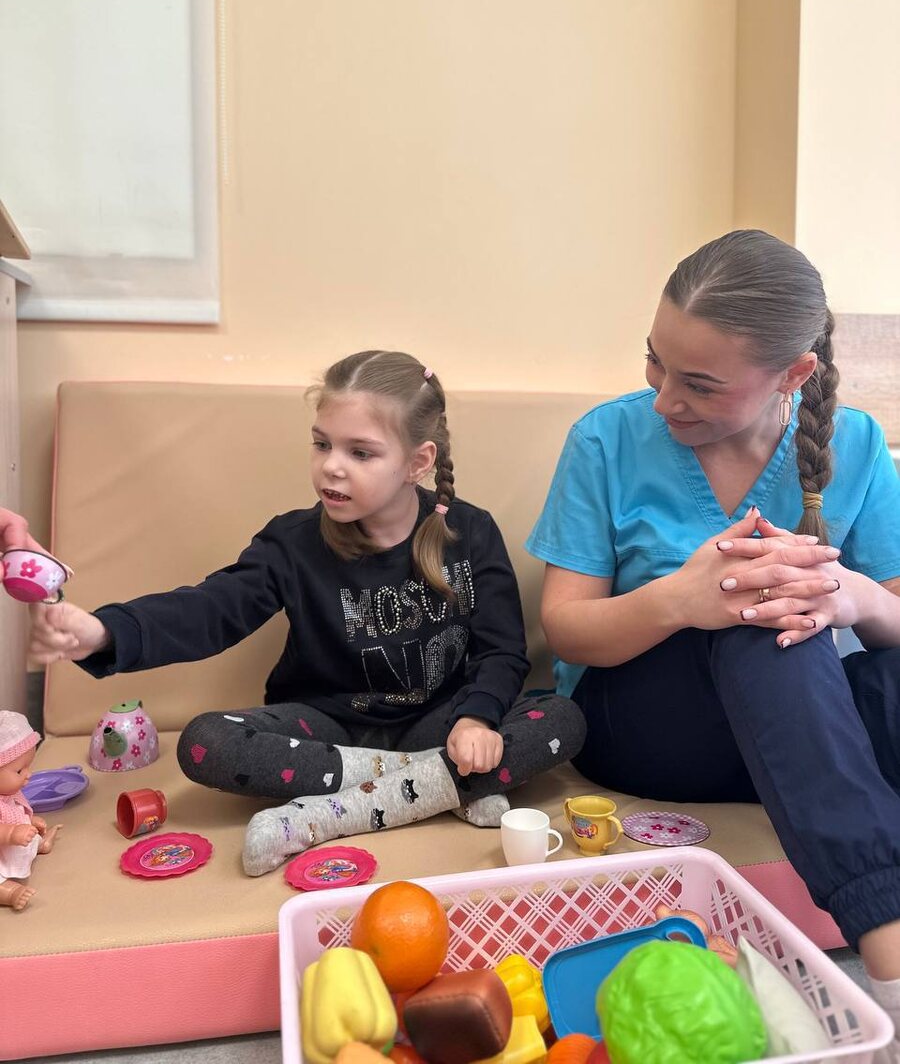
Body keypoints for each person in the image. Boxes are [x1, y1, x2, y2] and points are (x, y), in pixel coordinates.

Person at [526, 229, 900, 1031]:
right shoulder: (606, 438)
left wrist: (855, 595)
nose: (665, 398)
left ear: (794, 374)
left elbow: (892, 624)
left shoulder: (860, 444)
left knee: (801, 617)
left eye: (699, 383)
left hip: (807, 730)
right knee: (761, 609)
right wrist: (684, 600)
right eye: (655, 362)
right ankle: (890, 944)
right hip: (649, 727)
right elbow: (568, 631)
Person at [29, 350, 585, 876]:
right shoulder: (291, 543)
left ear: (417, 462)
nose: (331, 468)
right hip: (327, 734)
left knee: (564, 717)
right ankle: (439, 787)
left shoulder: (471, 531)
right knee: (205, 741)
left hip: (440, 723)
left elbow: (501, 650)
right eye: (322, 445)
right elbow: (209, 608)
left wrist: (477, 720)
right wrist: (105, 632)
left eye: (360, 453)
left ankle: (326, 814)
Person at [0, 711, 61, 911]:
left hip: (15, 843)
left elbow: (16, 810)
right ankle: (10, 893)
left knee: (30, 838)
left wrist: (30, 820)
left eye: (29, 766)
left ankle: (41, 844)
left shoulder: (9, 792)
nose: (28, 775)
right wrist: (11, 832)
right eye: (19, 770)